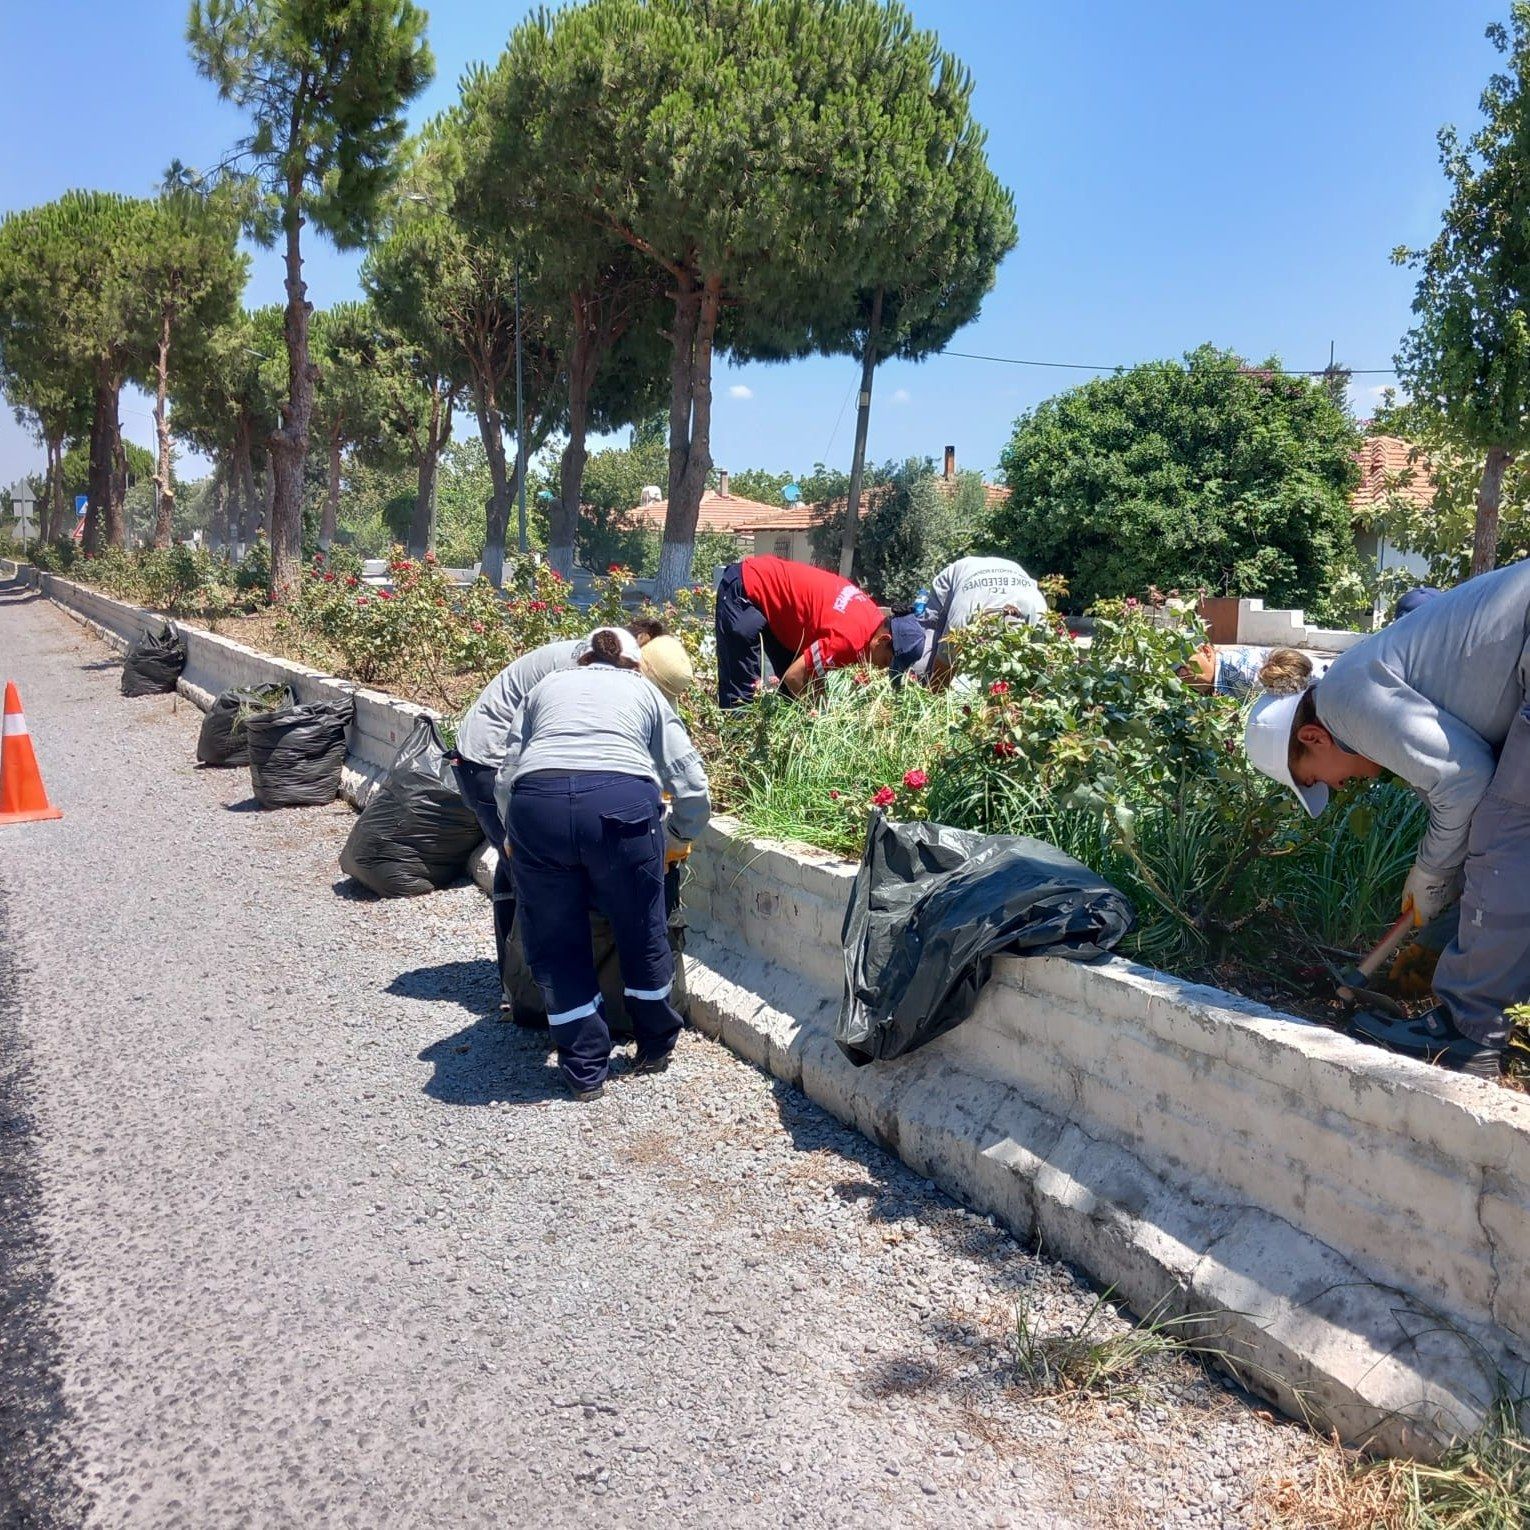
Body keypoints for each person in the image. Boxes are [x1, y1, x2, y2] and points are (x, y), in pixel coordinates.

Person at [1243, 559, 1530, 1076]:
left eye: (1311, 778)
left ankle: (1469, 1033)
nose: (1332, 786)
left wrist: (1430, 874)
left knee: (1505, 828)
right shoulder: (1362, 680)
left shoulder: (1342, 703)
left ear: (1312, 738)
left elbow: (1467, 787)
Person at [495, 627, 711, 1099]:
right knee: (640, 926)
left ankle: (584, 1067)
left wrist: (517, 834)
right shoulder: (645, 692)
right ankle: (654, 1043)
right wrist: (676, 835)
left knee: (555, 938)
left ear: (583, 659)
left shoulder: (545, 687)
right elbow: (692, 783)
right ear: (633, 664)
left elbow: (507, 776)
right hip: (621, 807)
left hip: (539, 806)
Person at [451, 619, 686, 1005]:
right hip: (490, 762)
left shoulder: (602, 662)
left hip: (508, 767)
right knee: (533, 879)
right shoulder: (577, 671)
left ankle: (532, 988)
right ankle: (538, 997)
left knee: (528, 872)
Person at [713, 554, 925, 708]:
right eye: (886, 662)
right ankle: (735, 755)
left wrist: (820, 705)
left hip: (777, 606)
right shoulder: (850, 639)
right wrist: (822, 720)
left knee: (791, 698)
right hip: (746, 588)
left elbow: (812, 676)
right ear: (883, 640)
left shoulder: (872, 620)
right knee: (741, 699)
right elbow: (795, 676)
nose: (880, 670)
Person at [914, 556, 1048, 687]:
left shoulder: (1037, 610)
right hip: (955, 580)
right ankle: (916, 677)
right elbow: (945, 665)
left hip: (1014, 574)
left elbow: (1038, 666)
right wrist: (934, 700)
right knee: (931, 642)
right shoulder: (963, 616)